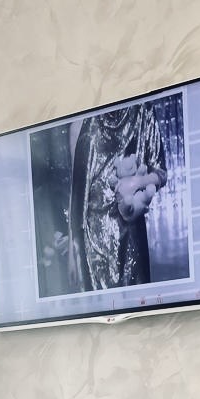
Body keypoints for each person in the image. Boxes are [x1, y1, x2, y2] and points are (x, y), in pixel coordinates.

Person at [67, 102, 166, 290]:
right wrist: (72, 252)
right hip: (90, 243)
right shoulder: (79, 122)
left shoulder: (143, 109)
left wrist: (135, 182)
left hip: (130, 234)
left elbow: (160, 172)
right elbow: (76, 190)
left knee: (136, 301)